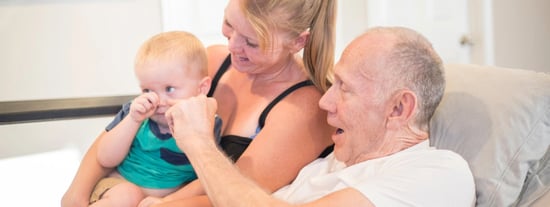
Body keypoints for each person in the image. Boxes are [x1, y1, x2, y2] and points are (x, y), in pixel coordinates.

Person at [61, 0, 336, 206]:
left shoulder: (305, 108)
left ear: (298, 41)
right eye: (229, 24)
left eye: (251, 42)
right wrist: (76, 193)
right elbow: (125, 126)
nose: (233, 46)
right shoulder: (214, 62)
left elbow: (231, 192)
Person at [164, 26, 477, 207]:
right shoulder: (333, 160)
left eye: (346, 89)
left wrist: (199, 142)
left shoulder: (438, 173)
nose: (325, 101)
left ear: (398, 109)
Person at [86, 31, 221, 206]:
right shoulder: (137, 113)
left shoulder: (207, 123)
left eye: (169, 89)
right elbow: (105, 158)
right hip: (119, 186)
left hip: (167, 198)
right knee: (128, 196)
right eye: (147, 90)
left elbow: (207, 177)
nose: (157, 100)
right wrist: (133, 120)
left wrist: (166, 201)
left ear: (201, 88)